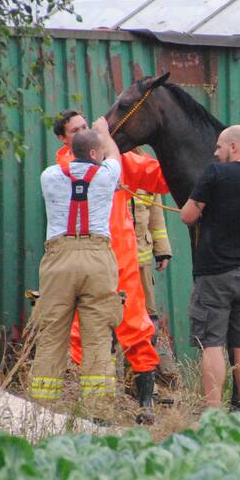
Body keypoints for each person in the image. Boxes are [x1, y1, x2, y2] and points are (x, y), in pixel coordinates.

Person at [53, 109, 170, 423]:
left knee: (137, 329)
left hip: (122, 263)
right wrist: (107, 139)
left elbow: (158, 176)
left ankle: (145, 405)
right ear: (64, 140)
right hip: (88, 264)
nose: (83, 132)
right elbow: (110, 169)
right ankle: (94, 411)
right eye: (76, 130)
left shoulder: (113, 158)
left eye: (85, 127)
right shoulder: (65, 166)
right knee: (84, 334)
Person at [180, 125, 240, 411]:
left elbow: (187, 216)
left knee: (212, 345)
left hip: (216, 273)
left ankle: (213, 411)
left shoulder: (215, 173)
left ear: (233, 147)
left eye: (220, 147)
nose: (216, 152)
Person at [29, 119, 123, 415]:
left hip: (58, 259)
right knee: (97, 336)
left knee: (52, 333)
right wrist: (105, 133)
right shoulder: (108, 174)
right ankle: (97, 413)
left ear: (70, 149)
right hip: (97, 258)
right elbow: (115, 156)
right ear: (95, 154)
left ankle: (42, 410)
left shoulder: (49, 176)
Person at [130, 181, 179, 380]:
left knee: (148, 320)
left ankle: (144, 378)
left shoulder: (144, 176)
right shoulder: (109, 172)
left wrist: (163, 251)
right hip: (114, 264)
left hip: (142, 263)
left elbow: (156, 219)